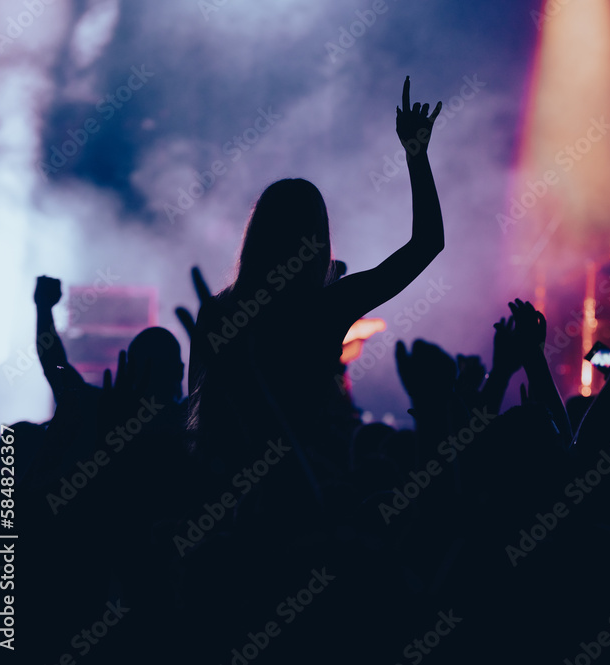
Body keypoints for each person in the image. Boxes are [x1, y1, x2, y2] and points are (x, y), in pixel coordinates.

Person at [185, 77, 445, 477]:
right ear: (319, 240)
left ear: (257, 235)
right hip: (307, 484)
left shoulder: (219, 311)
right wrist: (416, 154)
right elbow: (427, 243)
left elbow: (196, 407)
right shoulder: (327, 307)